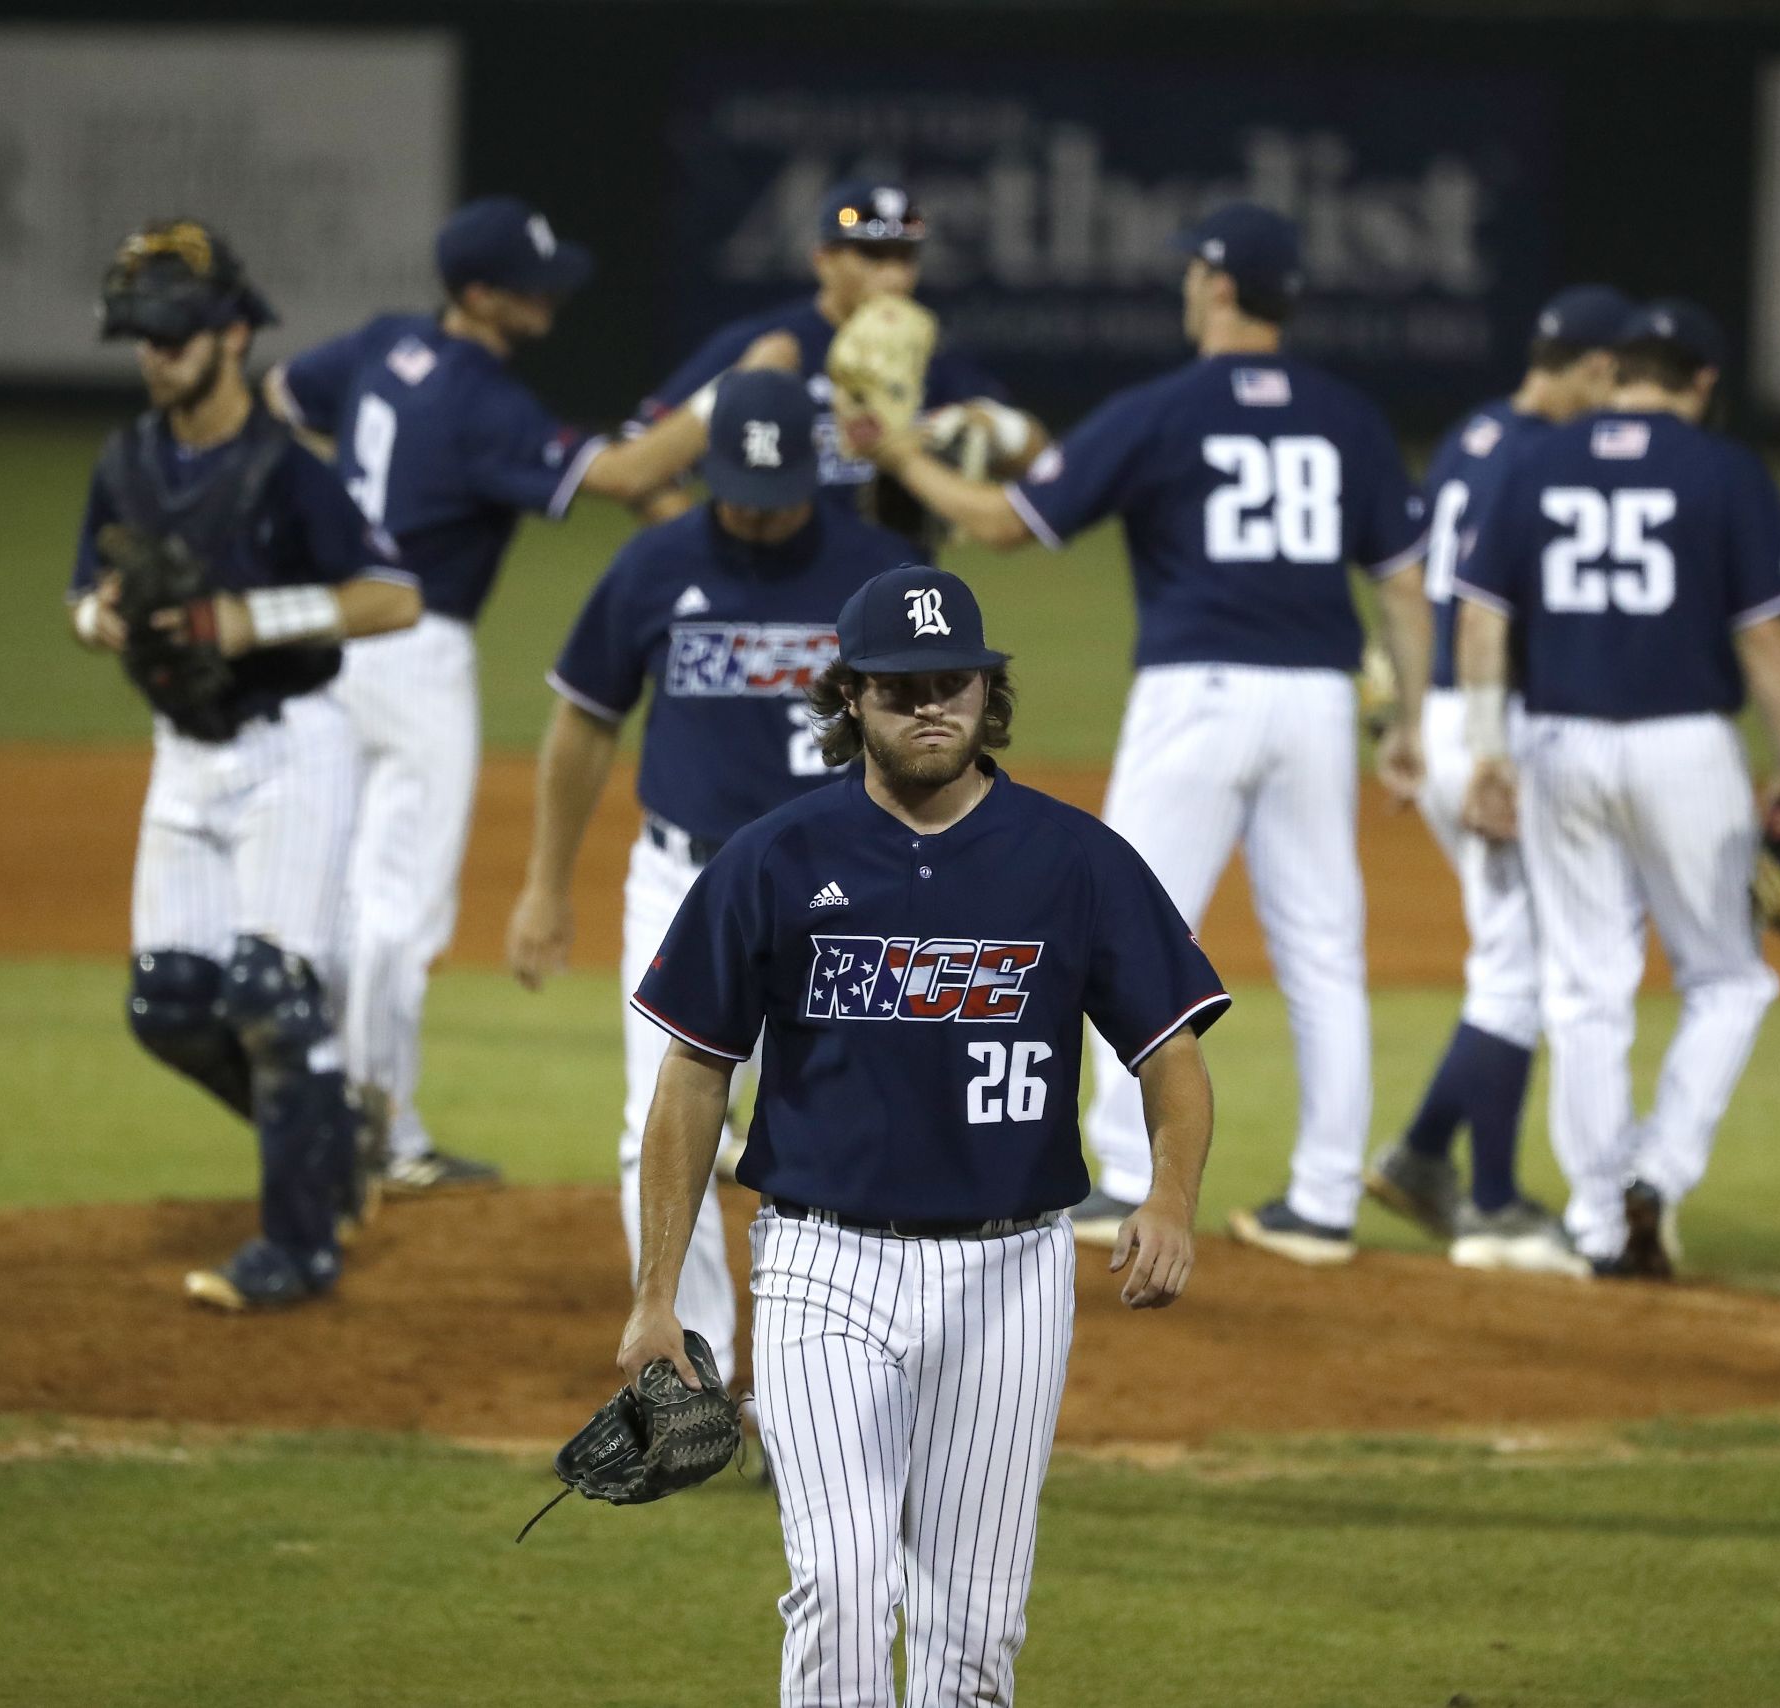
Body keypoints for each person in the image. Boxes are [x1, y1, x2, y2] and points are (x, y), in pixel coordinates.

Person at [616, 564, 1227, 1704]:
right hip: (817, 1263)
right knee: (842, 1584)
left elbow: (1172, 1056)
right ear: (850, 698)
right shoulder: (773, 856)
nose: (930, 705)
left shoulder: (1073, 858)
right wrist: (657, 1293)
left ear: (986, 692)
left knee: (976, 1626)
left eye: (953, 682)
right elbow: (694, 1071)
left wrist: (1170, 1198)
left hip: (1011, 1272)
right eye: (901, 688)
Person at [863, 202, 1431, 1265]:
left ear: (1216, 287)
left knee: (1124, 930)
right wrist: (1407, 715)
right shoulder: (1346, 415)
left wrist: (901, 456)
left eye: (1191, 274)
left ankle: (1123, 1174)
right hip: (1314, 700)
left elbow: (999, 524)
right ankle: (1322, 1201)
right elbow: (1402, 584)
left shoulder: (1160, 409)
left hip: (1196, 697)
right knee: (1322, 948)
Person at [263, 196, 766, 1197]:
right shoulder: (480, 403)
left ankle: (340, 1108)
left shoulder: (381, 344)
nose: (553, 296)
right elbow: (621, 472)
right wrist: (734, 398)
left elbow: (280, 395)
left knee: (340, 888)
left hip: (321, 640)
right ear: (482, 295)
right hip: (412, 647)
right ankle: (377, 1127)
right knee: (397, 904)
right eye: (532, 283)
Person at [504, 369, 915, 1389]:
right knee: (662, 1128)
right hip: (682, 887)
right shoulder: (653, 563)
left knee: (846, 1136)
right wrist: (545, 884)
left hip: (849, 891)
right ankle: (693, 1376)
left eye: (778, 493)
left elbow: (938, 738)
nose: (756, 513)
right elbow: (584, 719)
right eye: (736, 487)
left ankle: (813, 1382)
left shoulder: (881, 571)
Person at [68, 219, 423, 1308]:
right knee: (167, 1006)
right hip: (183, 757)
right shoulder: (125, 462)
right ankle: (328, 1140)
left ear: (231, 334)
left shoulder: (285, 470)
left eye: (173, 334)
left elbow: (391, 596)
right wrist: (106, 620)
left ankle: (299, 1245)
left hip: (292, 749)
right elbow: (85, 595)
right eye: (143, 337)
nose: (155, 355)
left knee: (270, 992)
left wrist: (244, 617)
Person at [1454, 300, 1780, 1277]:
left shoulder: (1535, 460)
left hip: (1555, 745)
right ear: (1700, 382)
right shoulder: (1722, 469)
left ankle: (1596, 1220)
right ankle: (1655, 1169)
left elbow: (1480, 623)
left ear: (1617, 374)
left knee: (1581, 988)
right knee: (1728, 977)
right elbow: (1764, 634)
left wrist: (1487, 755)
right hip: (1683, 751)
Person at [1362, 286, 1636, 1276]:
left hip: (1440, 713)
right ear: (1594, 369)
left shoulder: (1475, 434)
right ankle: (1491, 1206)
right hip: (1487, 726)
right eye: (1620, 380)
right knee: (1516, 965)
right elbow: (1499, 620)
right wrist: (1484, 748)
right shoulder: (1540, 456)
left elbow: (1409, 577)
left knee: (1509, 948)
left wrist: (1397, 716)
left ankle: (1422, 1156)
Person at [636, 179, 1048, 542]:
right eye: (872, 255)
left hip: (892, 597)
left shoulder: (931, 350)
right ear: (823, 260)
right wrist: (713, 552)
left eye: (904, 257)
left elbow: (1040, 461)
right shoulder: (766, 345)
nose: (893, 276)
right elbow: (638, 464)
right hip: (782, 591)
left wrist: (995, 426)